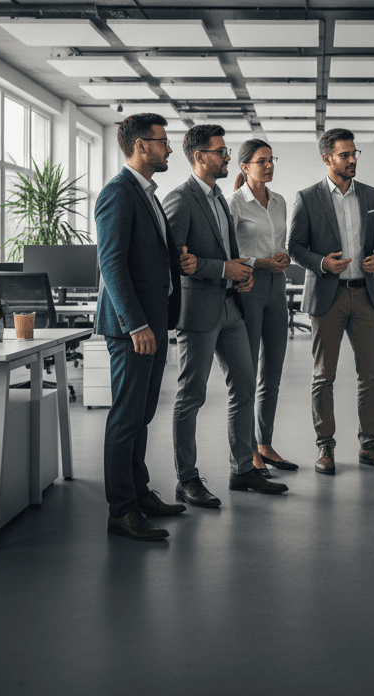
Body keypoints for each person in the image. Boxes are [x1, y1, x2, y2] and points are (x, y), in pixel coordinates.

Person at [161, 124, 288, 507]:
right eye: (220, 151)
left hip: (230, 307)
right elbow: (174, 260)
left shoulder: (219, 198)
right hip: (197, 311)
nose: (227, 157)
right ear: (200, 157)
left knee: (246, 386)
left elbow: (226, 254)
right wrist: (220, 270)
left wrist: (238, 277)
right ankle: (187, 478)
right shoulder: (181, 199)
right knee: (191, 396)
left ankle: (243, 468)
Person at [95, 112, 187, 541]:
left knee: (143, 413)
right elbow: (111, 263)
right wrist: (135, 324)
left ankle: (139, 491)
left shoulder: (147, 192)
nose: (169, 148)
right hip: (133, 327)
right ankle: (122, 509)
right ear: (139, 145)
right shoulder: (118, 192)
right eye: (162, 141)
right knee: (127, 417)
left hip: (153, 321)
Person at [288, 128, 374, 474]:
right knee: (324, 376)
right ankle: (326, 447)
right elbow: (294, 247)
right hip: (328, 295)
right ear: (327, 158)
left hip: (364, 295)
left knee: (371, 375)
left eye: (355, 154)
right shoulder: (307, 197)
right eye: (345, 155)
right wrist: (323, 263)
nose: (352, 160)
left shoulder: (371, 195)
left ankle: (370, 444)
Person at [227, 139, 298, 474]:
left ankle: (264, 442)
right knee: (249, 372)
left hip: (277, 286)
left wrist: (283, 257)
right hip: (250, 286)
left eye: (271, 160)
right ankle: (247, 451)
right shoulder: (234, 204)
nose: (269, 166)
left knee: (274, 370)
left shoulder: (281, 202)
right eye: (261, 161)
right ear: (244, 167)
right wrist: (261, 262)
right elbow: (229, 253)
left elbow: (281, 245)